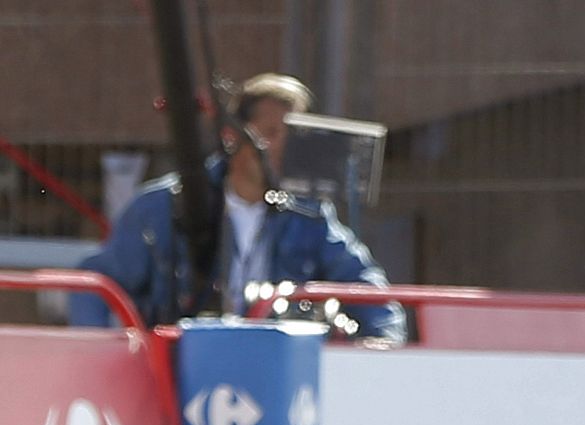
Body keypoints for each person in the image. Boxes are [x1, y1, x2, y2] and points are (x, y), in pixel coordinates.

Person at [69, 73, 403, 342]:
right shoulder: (162, 206)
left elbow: (362, 280)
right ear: (232, 136)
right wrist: (105, 351)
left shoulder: (310, 214)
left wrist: (385, 341)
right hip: (180, 369)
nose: (284, 147)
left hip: (273, 372)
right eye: (271, 133)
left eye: (294, 135)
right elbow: (97, 282)